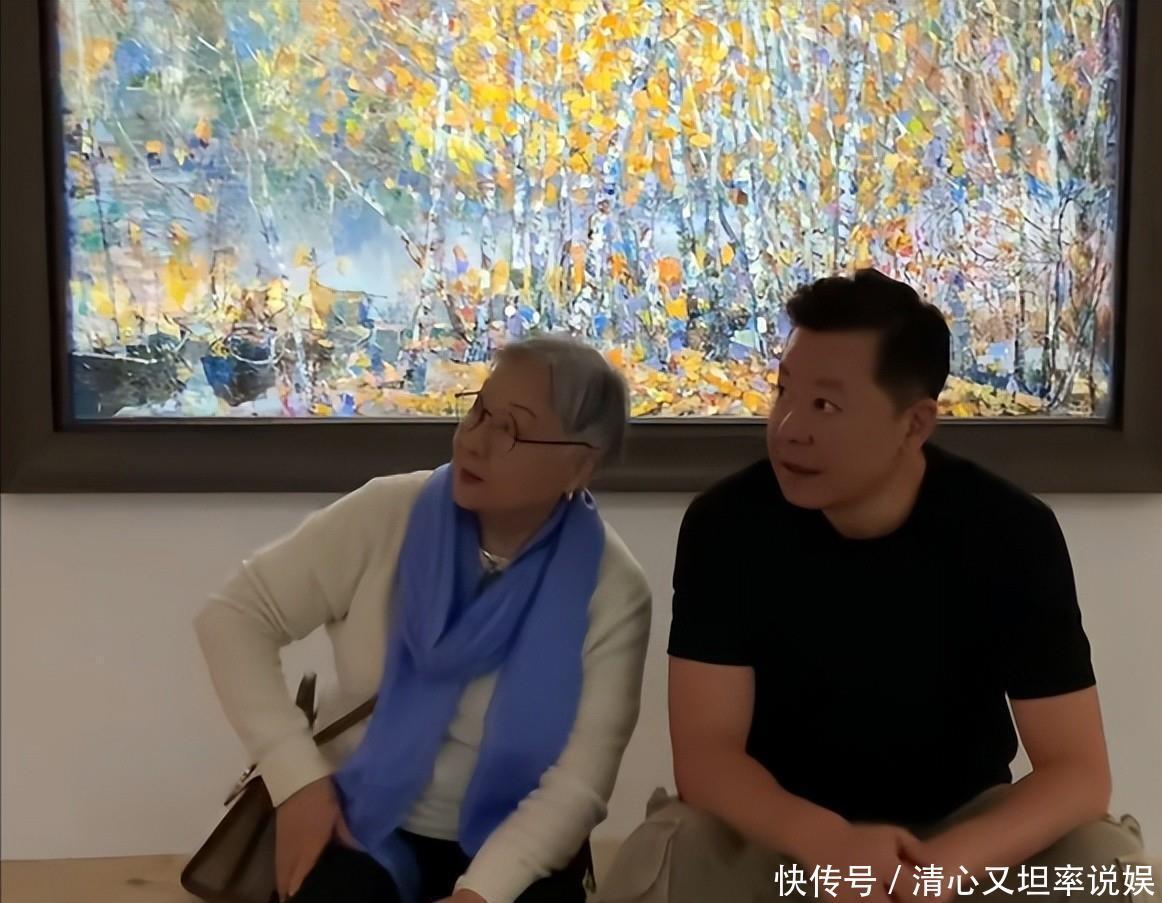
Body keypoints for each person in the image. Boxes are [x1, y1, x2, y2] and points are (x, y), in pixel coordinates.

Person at [596, 270, 1148, 903]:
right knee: (666, 856)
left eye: (825, 406)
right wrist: (832, 846)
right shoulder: (726, 525)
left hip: (960, 833)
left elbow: (1077, 773)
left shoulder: (1011, 532)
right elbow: (707, 757)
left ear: (914, 424)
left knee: (1106, 864)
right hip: (784, 837)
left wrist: (941, 868)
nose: (788, 427)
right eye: (784, 392)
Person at [196, 336, 652, 903]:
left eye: (512, 428)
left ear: (580, 464)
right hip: (358, 820)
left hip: (520, 843)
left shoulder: (613, 592)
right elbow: (234, 617)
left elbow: (578, 785)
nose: (474, 440)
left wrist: (479, 894)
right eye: (479, 410)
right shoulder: (387, 514)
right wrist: (296, 780)